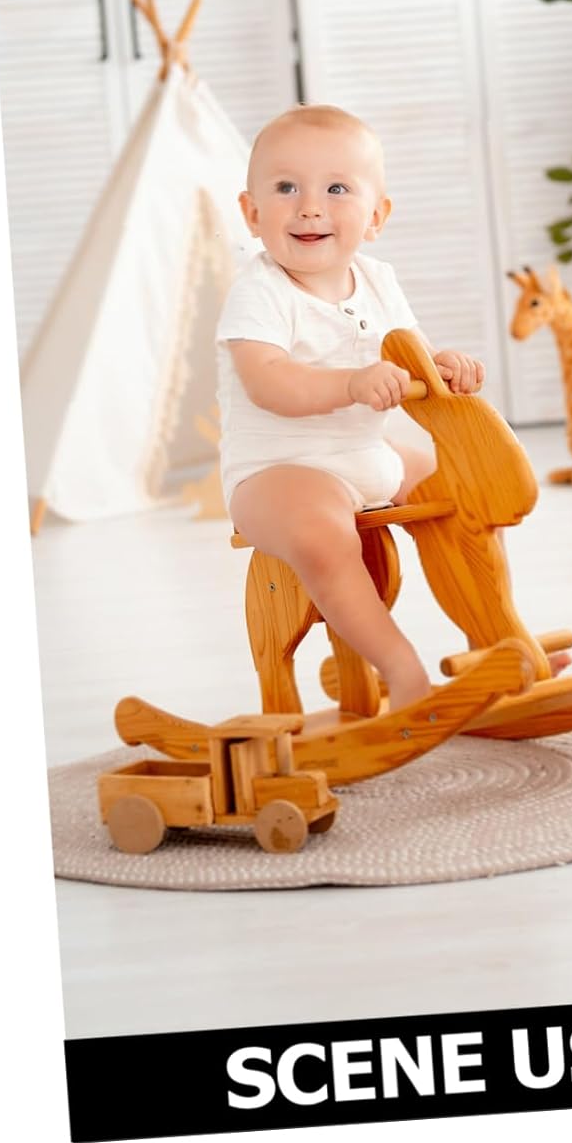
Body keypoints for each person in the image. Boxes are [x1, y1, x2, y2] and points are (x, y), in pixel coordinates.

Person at [216, 103, 486, 711]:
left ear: (376, 216)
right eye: (287, 188)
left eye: (336, 189)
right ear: (252, 213)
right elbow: (269, 383)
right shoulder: (260, 292)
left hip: (369, 454)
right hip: (279, 472)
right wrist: (350, 384)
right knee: (322, 537)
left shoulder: (378, 279)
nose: (310, 207)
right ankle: (404, 672)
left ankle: (492, 639)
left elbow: (410, 354)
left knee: (465, 492)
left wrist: (442, 364)